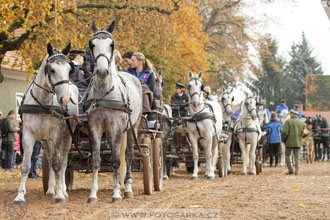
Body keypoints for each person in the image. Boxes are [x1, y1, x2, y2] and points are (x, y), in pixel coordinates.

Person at [281, 109, 306, 175]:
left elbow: (285, 132)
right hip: (298, 142)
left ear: (292, 114)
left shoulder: (288, 122)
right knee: (297, 157)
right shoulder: (302, 123)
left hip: (289, 143)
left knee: (287, 156)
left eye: (290, 114)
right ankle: (297, 171)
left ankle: (290, 170)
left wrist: (283, 139)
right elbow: (305, 133)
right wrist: (301, 138)